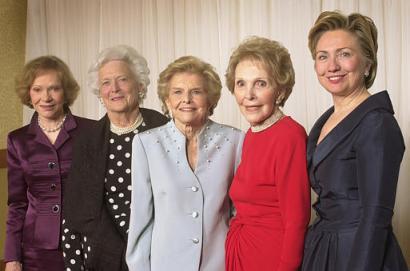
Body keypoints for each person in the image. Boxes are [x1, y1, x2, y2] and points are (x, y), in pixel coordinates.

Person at [301, 11, 408, 271]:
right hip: (323, 248)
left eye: (345, 54)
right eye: (322, 56)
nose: (332, 66)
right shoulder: (326, 120)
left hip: (359, 255)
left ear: (368, 63)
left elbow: (376, 216)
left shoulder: (377, 123)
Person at [126, 56, 244, 271]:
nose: (186, 99)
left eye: (196, 92)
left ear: (210, 98)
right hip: (165, 264)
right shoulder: (146, 143)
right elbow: (141, 217)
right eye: (177, 92)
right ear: (167, 100)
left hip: (220, 263)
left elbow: (240, 212)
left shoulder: (234, 141)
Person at [61, 45, 168, 271]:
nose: (114, 89)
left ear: (139, 85)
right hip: (101, 255)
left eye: (122, 79)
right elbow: (73, 212)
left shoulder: (164, 129)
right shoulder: (87, 140)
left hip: (158, 252)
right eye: (106, 83)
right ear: (100, 92)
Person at [224, 36, 311, 271]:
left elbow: (297, 219)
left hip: (271, 257)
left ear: (280, 90)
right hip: (244, 253)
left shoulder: (289, 135)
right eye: (241, 83)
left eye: (260, 83)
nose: (248, 95)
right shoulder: (252, 134)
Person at [4, 56, 94, 271]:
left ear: (66, 92)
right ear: (28, 93)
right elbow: (17, 204)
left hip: (86, 243)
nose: (46, 97)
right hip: (35, 251)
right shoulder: (17, 140)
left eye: (54, 89)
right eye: (37, 89)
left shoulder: (91, 131)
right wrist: (12, 258)